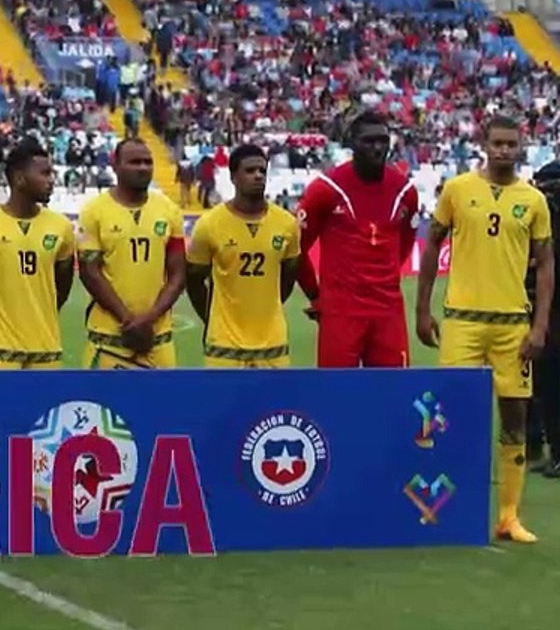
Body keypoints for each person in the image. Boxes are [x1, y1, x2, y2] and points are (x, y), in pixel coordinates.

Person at [416, 115, 554, 544]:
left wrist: (541, 325)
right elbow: (433, 242)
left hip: (513, 324)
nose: (504, 151)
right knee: (448, 416)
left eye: (512, 144)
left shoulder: (532, 200)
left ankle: (508, 516)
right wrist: (423, 308)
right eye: (497, 143)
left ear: (522, 146)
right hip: (462, 320)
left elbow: (546, 262)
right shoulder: (458, 190)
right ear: (484, 143)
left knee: (515, 414)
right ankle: (441, 509)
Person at [297, 110, 419, 367]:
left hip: (388, 312)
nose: (377, 148)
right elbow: (295, 248)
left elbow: (405, 244)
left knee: (393, 394)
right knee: (336, 396)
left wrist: (383, 280)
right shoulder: (325, 189)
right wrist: (316, 295)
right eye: (368, 141)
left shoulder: (405, 191)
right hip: (341, 312)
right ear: (352, 144)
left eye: (383, 141)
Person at [0, 137, 75, 369]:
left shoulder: (61, 227)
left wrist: (42, 317)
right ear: (19, 178)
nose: (51, 181)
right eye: (45, 174)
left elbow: (63, 285)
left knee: (44, 407)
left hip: (45, 350)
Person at [186, 144, 300, 368]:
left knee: (275, 404)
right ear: (233, 177)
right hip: (225, 347)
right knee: (224, 404)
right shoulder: (209, 225)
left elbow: (288, 276)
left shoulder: (286, 223)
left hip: (273, 345)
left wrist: (268, 307)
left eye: (262, 171)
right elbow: (194, 281)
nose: (258, 176)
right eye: (250, 171)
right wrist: (212, 321)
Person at [78, 138, 186, 369]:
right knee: (104, 406)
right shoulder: (94, 211)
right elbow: (90, 272)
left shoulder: (168, 210)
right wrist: (127, 319)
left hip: (159, 339)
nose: (143, 167)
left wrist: (149, 318)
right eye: (134, 162)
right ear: (115, 165)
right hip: (109, 340)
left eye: (148, 162)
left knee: (163, 406)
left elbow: (178, 274)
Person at [526, 161, 560, 477]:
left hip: (550, 312)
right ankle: (552, 450)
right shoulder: (542, 221)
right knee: (544, 386)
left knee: (550, 385)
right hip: (544, 311)